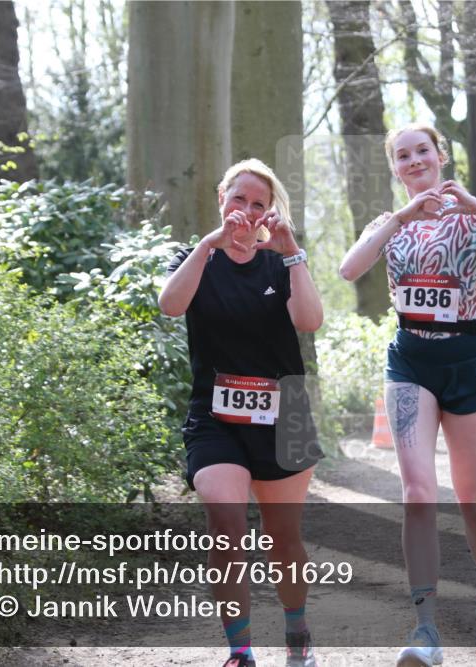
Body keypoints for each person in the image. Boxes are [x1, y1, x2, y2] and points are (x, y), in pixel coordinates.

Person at [339, 123, 476, 662]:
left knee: (470, 496)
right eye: (403, 155)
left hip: (469, 359)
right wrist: (399, 219)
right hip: (411, 359)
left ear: (440, 156)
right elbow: (349, 268)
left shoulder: (473, 216)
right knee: (416, 492)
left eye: (422, 151)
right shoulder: (391, 224)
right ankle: (425, 628)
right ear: (395, 168)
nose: (414, 161)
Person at [159, 158, 324, 667]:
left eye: (259, 204)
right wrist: (209, 245)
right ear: (220, 200)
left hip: (286, 412)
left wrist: (292, 251)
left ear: (270, 212)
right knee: (226, 524)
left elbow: (310, 320)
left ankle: (296, 629)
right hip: (216, 417)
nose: (247, 211)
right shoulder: (194, 257)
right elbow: (170, 305)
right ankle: (241, 651)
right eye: (239, 200)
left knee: (284, 540)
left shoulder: (283, 261)